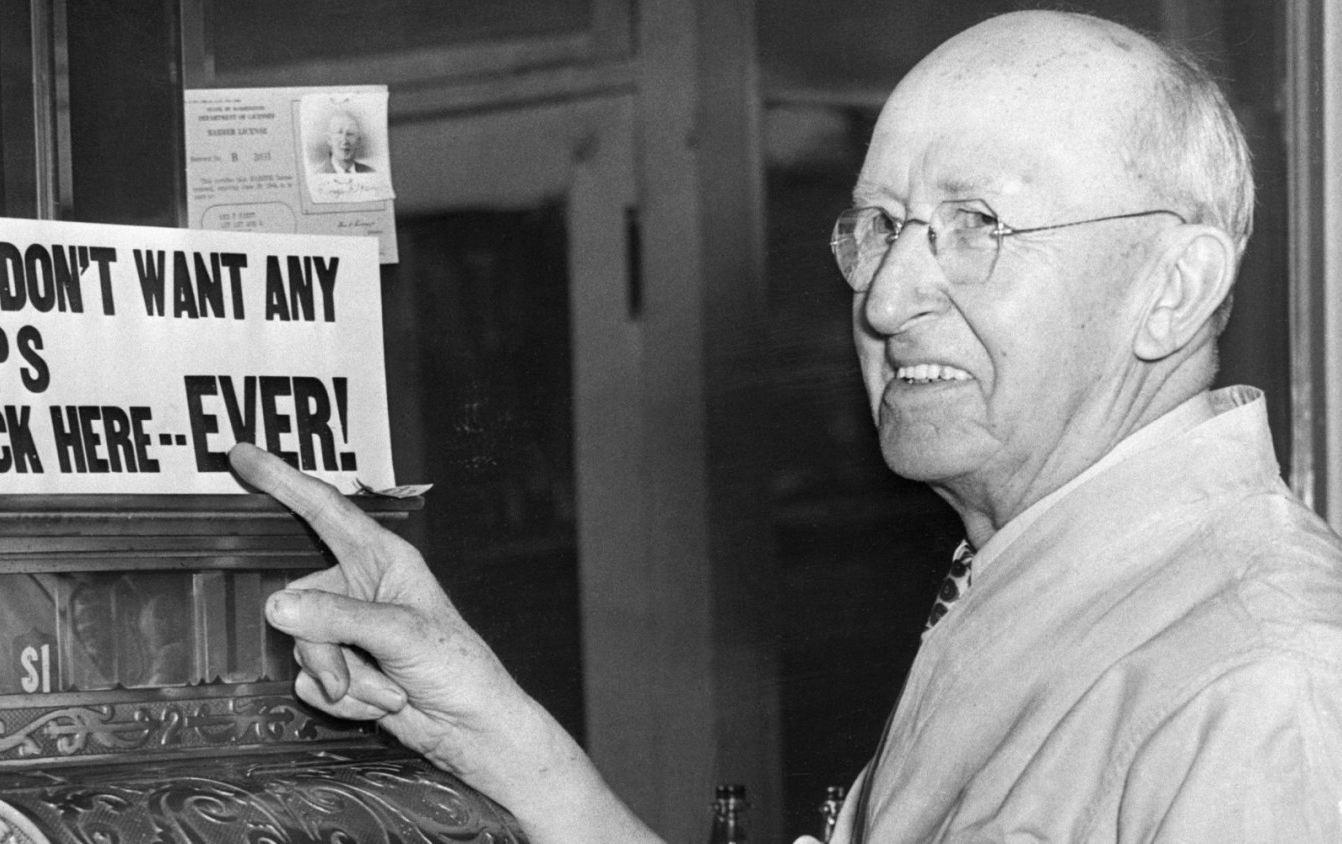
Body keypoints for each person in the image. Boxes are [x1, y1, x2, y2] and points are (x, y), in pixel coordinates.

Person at [230, 9, 1342, 843]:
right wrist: (474, 714)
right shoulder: (1057, 593)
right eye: (882, 226)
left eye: (976, 224)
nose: (888, 298)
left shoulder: (1265, 685)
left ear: (1175, 287)